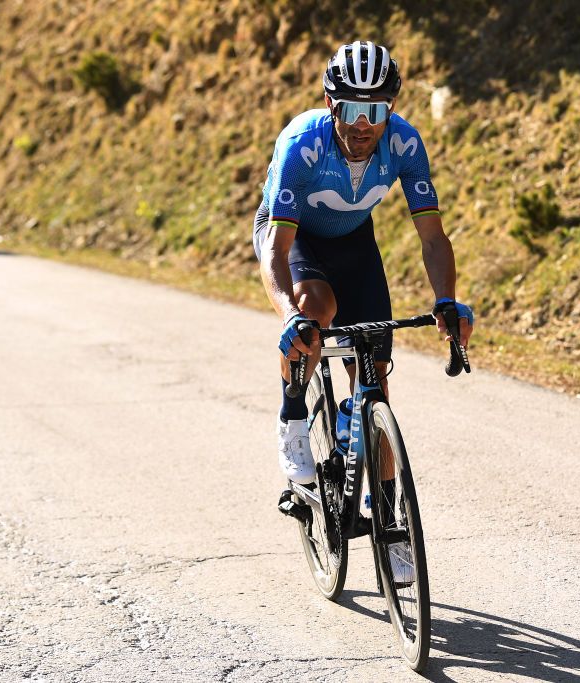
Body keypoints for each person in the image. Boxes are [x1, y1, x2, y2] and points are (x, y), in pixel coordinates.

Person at [252, 41, 474, 571]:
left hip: (355, 244)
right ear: (331, 105)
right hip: (295, 238)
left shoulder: (404, 144)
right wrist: (290, 315)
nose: (361, 124)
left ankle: (390, 522)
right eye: (350, 108)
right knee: (315, 307)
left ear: (389, 109)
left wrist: (446, 301)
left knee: (374, 378)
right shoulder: (302, 144)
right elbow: (276, 251)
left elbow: (432, 238)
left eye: (374, 110)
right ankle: (292, 419)